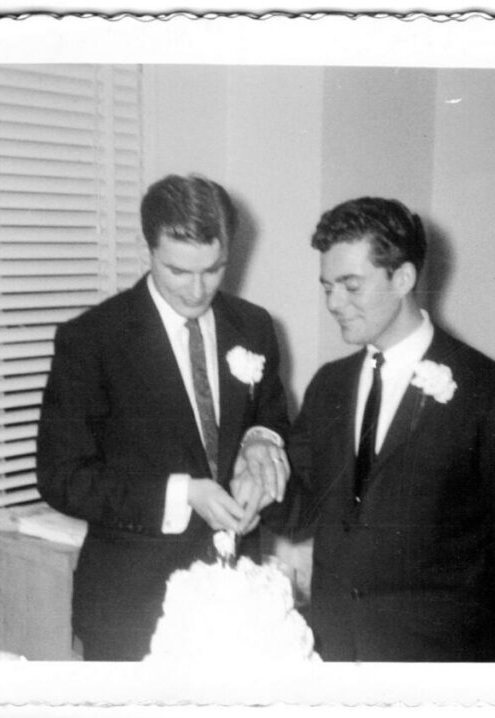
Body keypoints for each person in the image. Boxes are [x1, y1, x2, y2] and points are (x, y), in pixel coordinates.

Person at [273, 196, 495, 662]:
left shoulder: (491, 392)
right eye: (327, 286)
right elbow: (301, 509)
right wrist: (257, 478)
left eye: (351, 286)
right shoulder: (329, 385)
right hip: (335, 655)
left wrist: (456, 611)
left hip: (437, 658)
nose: (333, 303)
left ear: (403, 278)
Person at [36, 174, 290, 661]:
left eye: (214, 269)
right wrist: (183, 493)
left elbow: (272, 414)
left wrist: (262, 440)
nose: (198, 291)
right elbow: (61, 477)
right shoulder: (93, 340)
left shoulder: (254, 326)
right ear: (147, 247)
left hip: (239, 601)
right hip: (133, 607)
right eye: (178, 271)